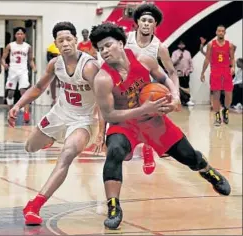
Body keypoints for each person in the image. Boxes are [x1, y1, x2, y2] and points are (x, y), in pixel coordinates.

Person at [89, 22, 231, 230]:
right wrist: (142, 109)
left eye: (108, 45)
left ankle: (208, 171)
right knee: (115, 151)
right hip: (125, 124)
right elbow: (110, 114)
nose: (104, 51)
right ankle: (113, 206)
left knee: (188, 156)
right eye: (100, 49)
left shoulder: (143, 60)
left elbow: (165, 78)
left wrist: (174, 97)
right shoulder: (102, 79)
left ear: (120, 43)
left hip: (154, 120)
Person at [8, 22, 105, 226]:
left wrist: (101, 133)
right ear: (56, 44)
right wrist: (17, 105)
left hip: (83, 120)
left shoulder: (89, 67)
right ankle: (49, 139)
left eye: (69, 39)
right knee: (30, 147)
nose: (66, 43)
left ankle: (34, 205)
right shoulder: (55, 64)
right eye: (61, 40)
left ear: (76, 40)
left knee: (67, 155)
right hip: (59, 113)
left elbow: (104, 100)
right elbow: (38, 87)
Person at [125, 3, 181, 165]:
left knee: (150, 123)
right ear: (137, 22)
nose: (146, 23)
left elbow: (171, 72)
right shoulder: (125, 39)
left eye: (150, 21)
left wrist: (175, 95)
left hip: (145, 90)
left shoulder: (160, 47)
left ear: (155, 25)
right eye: (143, 20)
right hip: (124, 87)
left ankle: (148, 148)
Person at [200, 25, 235, 126]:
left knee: (229, 94)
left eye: (222, 31)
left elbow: (232, 58)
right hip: (215, 71)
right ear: (216, 32)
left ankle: (226, 110)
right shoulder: (211, 45)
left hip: (226, 71)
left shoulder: (230, 45)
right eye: (219, 31)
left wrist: (233, 67)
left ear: (224, 33)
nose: (220, 33)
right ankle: (217, 116)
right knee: (216, 95)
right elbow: (207, 59)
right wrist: (202, 72)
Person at [1, 27, 37, 123]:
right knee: (10, 93)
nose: (20, 35)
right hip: (12, 71)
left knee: (24, 92)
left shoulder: (28, 46)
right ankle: (11, 111)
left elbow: (30, 60)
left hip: (23, 71)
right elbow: (3, 58)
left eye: (21, 34)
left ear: (24, 35)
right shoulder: (10, 45)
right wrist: (4, 64)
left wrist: (34, 67)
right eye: (18, 34)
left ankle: (26, 113)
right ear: (15, 35)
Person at [171, 40, 194, 106]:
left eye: (183, 44)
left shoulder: (188, 53)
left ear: (185, 45)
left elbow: (191, 63)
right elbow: (172, 63)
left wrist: (190, 70)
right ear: (178, 45)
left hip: (186, 74)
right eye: (180, 44)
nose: (181, 46)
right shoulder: (175, 53)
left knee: (186, 88)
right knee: (178, 88)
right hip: (178, 74)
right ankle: (179, 101)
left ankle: (187, 100)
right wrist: (179, 58)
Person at [47, 42, 60, 106]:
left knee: (63, 84)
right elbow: (48, 58)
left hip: (62, 69)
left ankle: (63, 100)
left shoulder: (63, 46)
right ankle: (54, 100)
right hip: (54, 69)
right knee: (52, 83)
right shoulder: (51, 47)